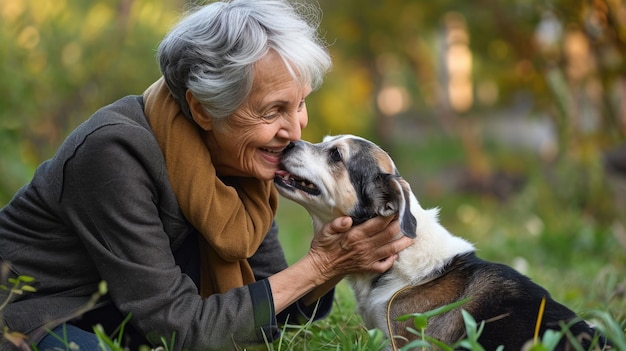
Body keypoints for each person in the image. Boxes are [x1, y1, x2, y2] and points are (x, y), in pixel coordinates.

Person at [0, 1, 412, 350]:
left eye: (299, 103)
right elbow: (180, 327)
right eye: (272, 111)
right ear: (201, 109)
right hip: (30, 315)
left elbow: (270, 303)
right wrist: (320, 267)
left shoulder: (246, 166)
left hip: (116, 320)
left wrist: (334, 263)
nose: (295, 131)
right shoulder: (114, 153)